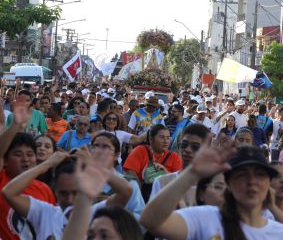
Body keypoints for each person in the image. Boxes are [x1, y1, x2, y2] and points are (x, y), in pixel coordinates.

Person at [140, 143, 283, 240]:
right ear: (228, 183)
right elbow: (150, 221)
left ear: (268, 183)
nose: (252, 182)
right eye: (242, 175)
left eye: (260, 175)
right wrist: (192, 173)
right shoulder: (205, 218)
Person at [2, 148, 133, 240]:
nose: (70, 200)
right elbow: (8, 192)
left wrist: (94, 164)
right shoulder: (45, 213)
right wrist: (47, 164)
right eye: (63, 193)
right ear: (55, 190)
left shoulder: (96, 213)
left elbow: (126, 191)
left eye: (76, 193)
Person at [0, 96, 56, 239]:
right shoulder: (2, 180)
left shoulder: (44, 190)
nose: (25, 158)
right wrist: (15, 126)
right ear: (5, 161)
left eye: (30, 154)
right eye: (18, 154)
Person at [149, 124, 210, 207]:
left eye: (195, 147)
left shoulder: (214, 187)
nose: (188, 150)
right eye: (184, 144)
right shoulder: (161, 182)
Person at [123, 124, 183, 202]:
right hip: (141, 197)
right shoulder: (140, 151)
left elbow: (180, 183)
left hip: (166, 200)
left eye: (168, 138)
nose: (166, 141)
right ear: (151, 139)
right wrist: (139, 201)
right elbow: (131, 176)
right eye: (162, 137)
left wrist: (166, 174)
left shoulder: (174, 157)